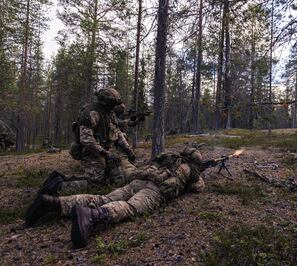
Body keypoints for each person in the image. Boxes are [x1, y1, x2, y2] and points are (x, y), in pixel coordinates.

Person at [25, 147, 216, 248]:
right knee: (131, 207)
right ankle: (93, 216)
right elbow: (198, 188)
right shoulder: (191, 169)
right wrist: (199, 173)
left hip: (137, 181)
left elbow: (147, 165)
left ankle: (55, 203)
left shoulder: (168, 156)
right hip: (155, 190)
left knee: (103, 197)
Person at [40, 87, 136, 196]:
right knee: (95, 184)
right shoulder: (91, 113)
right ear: (105, 102)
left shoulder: (109, 113)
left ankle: (65, 178)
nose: (114, 106)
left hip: (102, 151)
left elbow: (117, 132)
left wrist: (128, 150)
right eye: (112, 103)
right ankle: (58, 185)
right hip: (90, 152)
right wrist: (106, 154)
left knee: (110, 178)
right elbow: (86, 140)